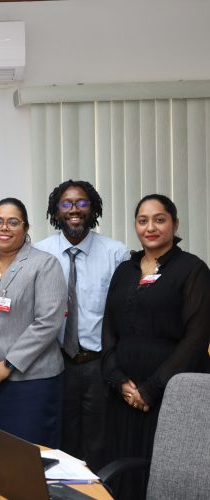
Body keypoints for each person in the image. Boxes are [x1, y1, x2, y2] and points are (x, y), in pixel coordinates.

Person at [102, 194, 210, 500]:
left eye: (159, 220)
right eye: (142, 220)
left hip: (171, 392)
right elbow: (108, 328)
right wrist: (118, 379)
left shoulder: (193, 270)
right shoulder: (125, 269)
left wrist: (151, 389)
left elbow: (197, 338)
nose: (150, 227)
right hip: (122, 393)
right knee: (121, 471)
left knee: (163, 473)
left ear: (175, 224)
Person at [36, 180, 129, 469]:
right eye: (66, 203)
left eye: (81, 203)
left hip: (98, 363)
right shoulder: (40, 252)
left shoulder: (116, 253)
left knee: (100, 440)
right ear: (56, 210)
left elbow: (125, 314)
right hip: (55, 361)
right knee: (59, 438)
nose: (74, 209)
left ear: (93, 208)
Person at [0, 198, 67, 448]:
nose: (4, 228)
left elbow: (48, 323)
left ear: (26, 227)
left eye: (13, 222)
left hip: (33, 382)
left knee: (32, 456)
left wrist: (10, 363)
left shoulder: (44, 264)